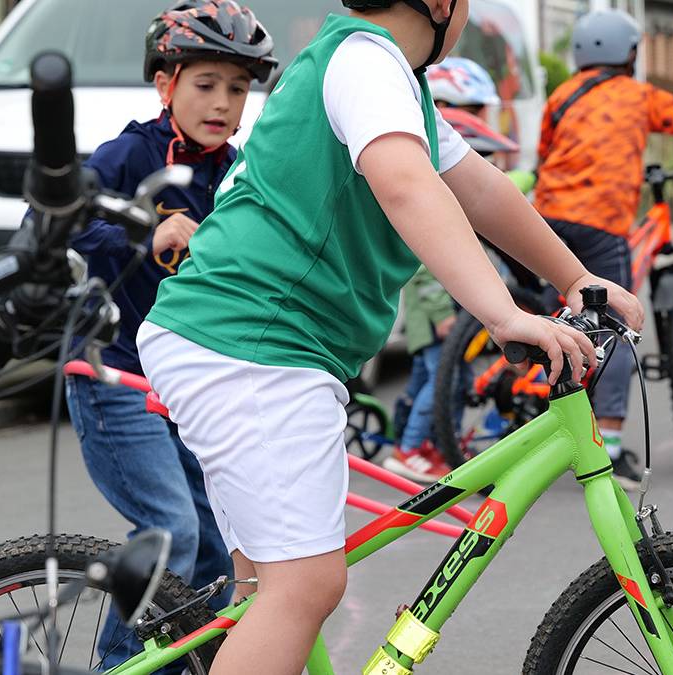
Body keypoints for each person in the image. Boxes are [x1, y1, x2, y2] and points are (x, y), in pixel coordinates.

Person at [134, 0, 643, 672]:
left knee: (267, 588)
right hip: (254, 342)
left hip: (246, 340)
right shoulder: (366, 63)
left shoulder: (389, 77)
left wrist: (577, 278)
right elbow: (406, 185)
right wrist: (505, 314)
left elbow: (481, 190)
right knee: (305, 585)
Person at [56, 1, 276, 668]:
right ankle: (120, 666)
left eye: (238, 89)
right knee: (170, 530)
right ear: (165, 84)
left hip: (184, 385)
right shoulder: (132, 152)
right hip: (110, 373)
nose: (223, 103)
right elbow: (57, 219)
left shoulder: (234, 171)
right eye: (205, 84)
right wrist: (143, 233)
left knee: (214, 547)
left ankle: (184, 663)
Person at [533, 8, 673, 485]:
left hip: (543, 220)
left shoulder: (562, 95)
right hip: (600, 223)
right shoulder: (639, 95)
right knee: (615, 324)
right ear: (630, 53)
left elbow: (545, 153)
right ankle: (609, 444)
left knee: (555, 310)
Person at [384, 265, 459, 482]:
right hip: (432, 324)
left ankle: (422, 446)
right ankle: (409, 448)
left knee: (422, 381)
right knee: (441, 382)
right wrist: (442, 313)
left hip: (427, 324)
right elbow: (425, 271)